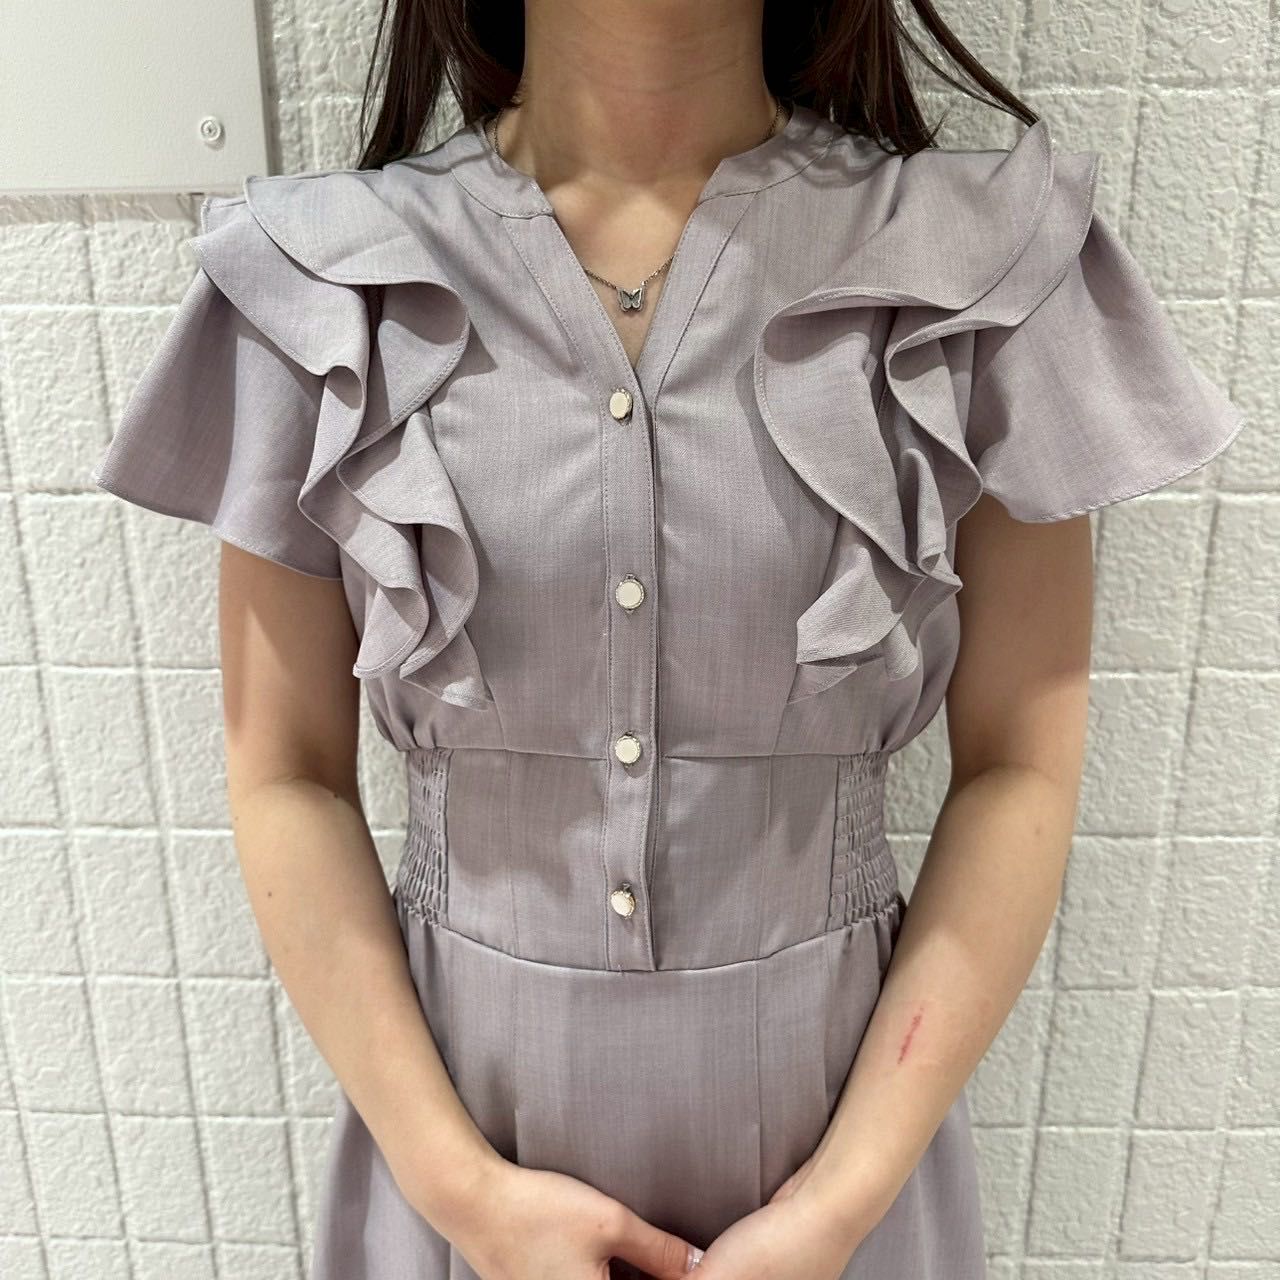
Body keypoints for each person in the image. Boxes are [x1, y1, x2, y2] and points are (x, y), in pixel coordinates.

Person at [89, 1, 1249, 1277]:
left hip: (841, 1174)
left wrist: (838, 1208)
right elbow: (287, 771)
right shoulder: (323, 279)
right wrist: (463, 1191)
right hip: (457, 1164)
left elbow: (1019, 767)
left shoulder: (974, 262)